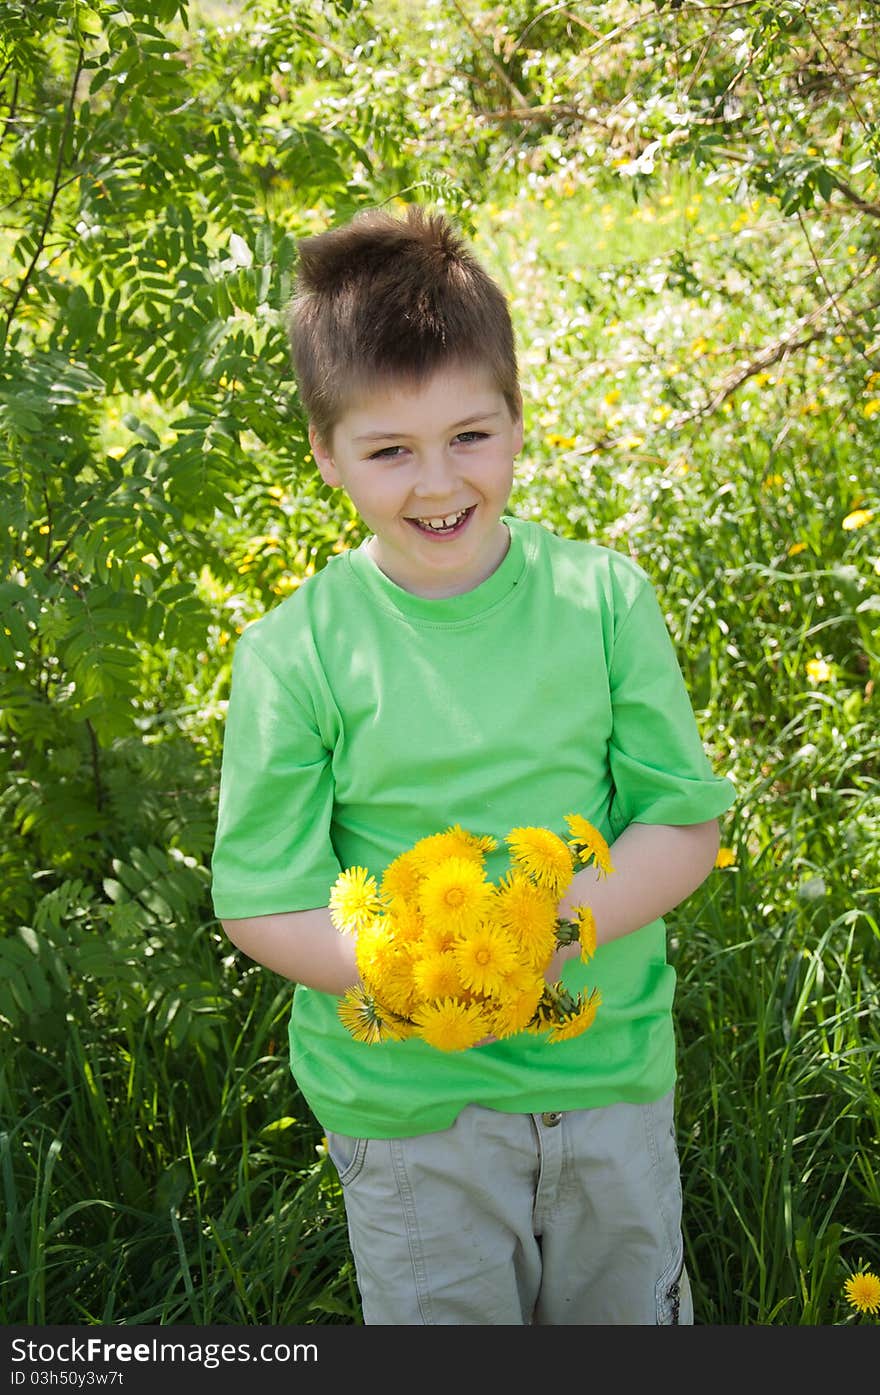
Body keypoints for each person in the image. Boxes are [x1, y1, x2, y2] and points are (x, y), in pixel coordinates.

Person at [210, 203, 736, 1326]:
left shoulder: (601, 603)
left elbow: (681, 823)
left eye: (469, 436)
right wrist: (414, 968)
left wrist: (548, 928)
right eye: (389, 451)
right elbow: (263, 901)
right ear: (324, 453)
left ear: (515, 418)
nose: (438, 484)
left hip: (605, 1078)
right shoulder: (294, 653)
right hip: (410, 1109)